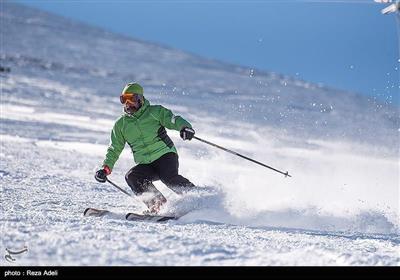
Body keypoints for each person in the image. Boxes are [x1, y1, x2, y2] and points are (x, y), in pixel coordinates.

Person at [95, 82, 196, 214]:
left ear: (140, 99)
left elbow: (173, 120)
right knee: (133, 176)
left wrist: (184, 127)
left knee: (168, 177)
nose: (127, 103)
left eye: (131, 98)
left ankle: (197, 197)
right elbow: (114, 148)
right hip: (146, 163)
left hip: (165, 155)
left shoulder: (155, 112)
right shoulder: (121, 124)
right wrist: (105, 168)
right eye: (123, 99)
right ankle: (158, 206)